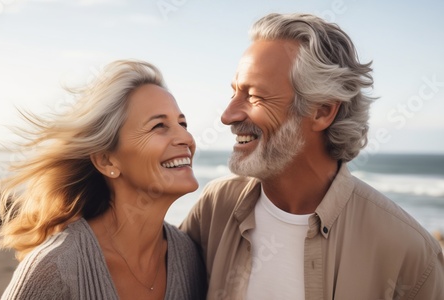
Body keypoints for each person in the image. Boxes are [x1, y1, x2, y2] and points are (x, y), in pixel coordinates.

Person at [180, 13, 444, 300]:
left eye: (254, 96)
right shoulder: (215, 207)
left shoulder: (410, 251)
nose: (227, 115)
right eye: (234, 92)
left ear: (321, 111)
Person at [0, 60, 207, 300]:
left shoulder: (189, 257)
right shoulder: (55, 269)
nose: (186, 137)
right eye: (159, 126)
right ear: (107, 161)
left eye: (182, 123)